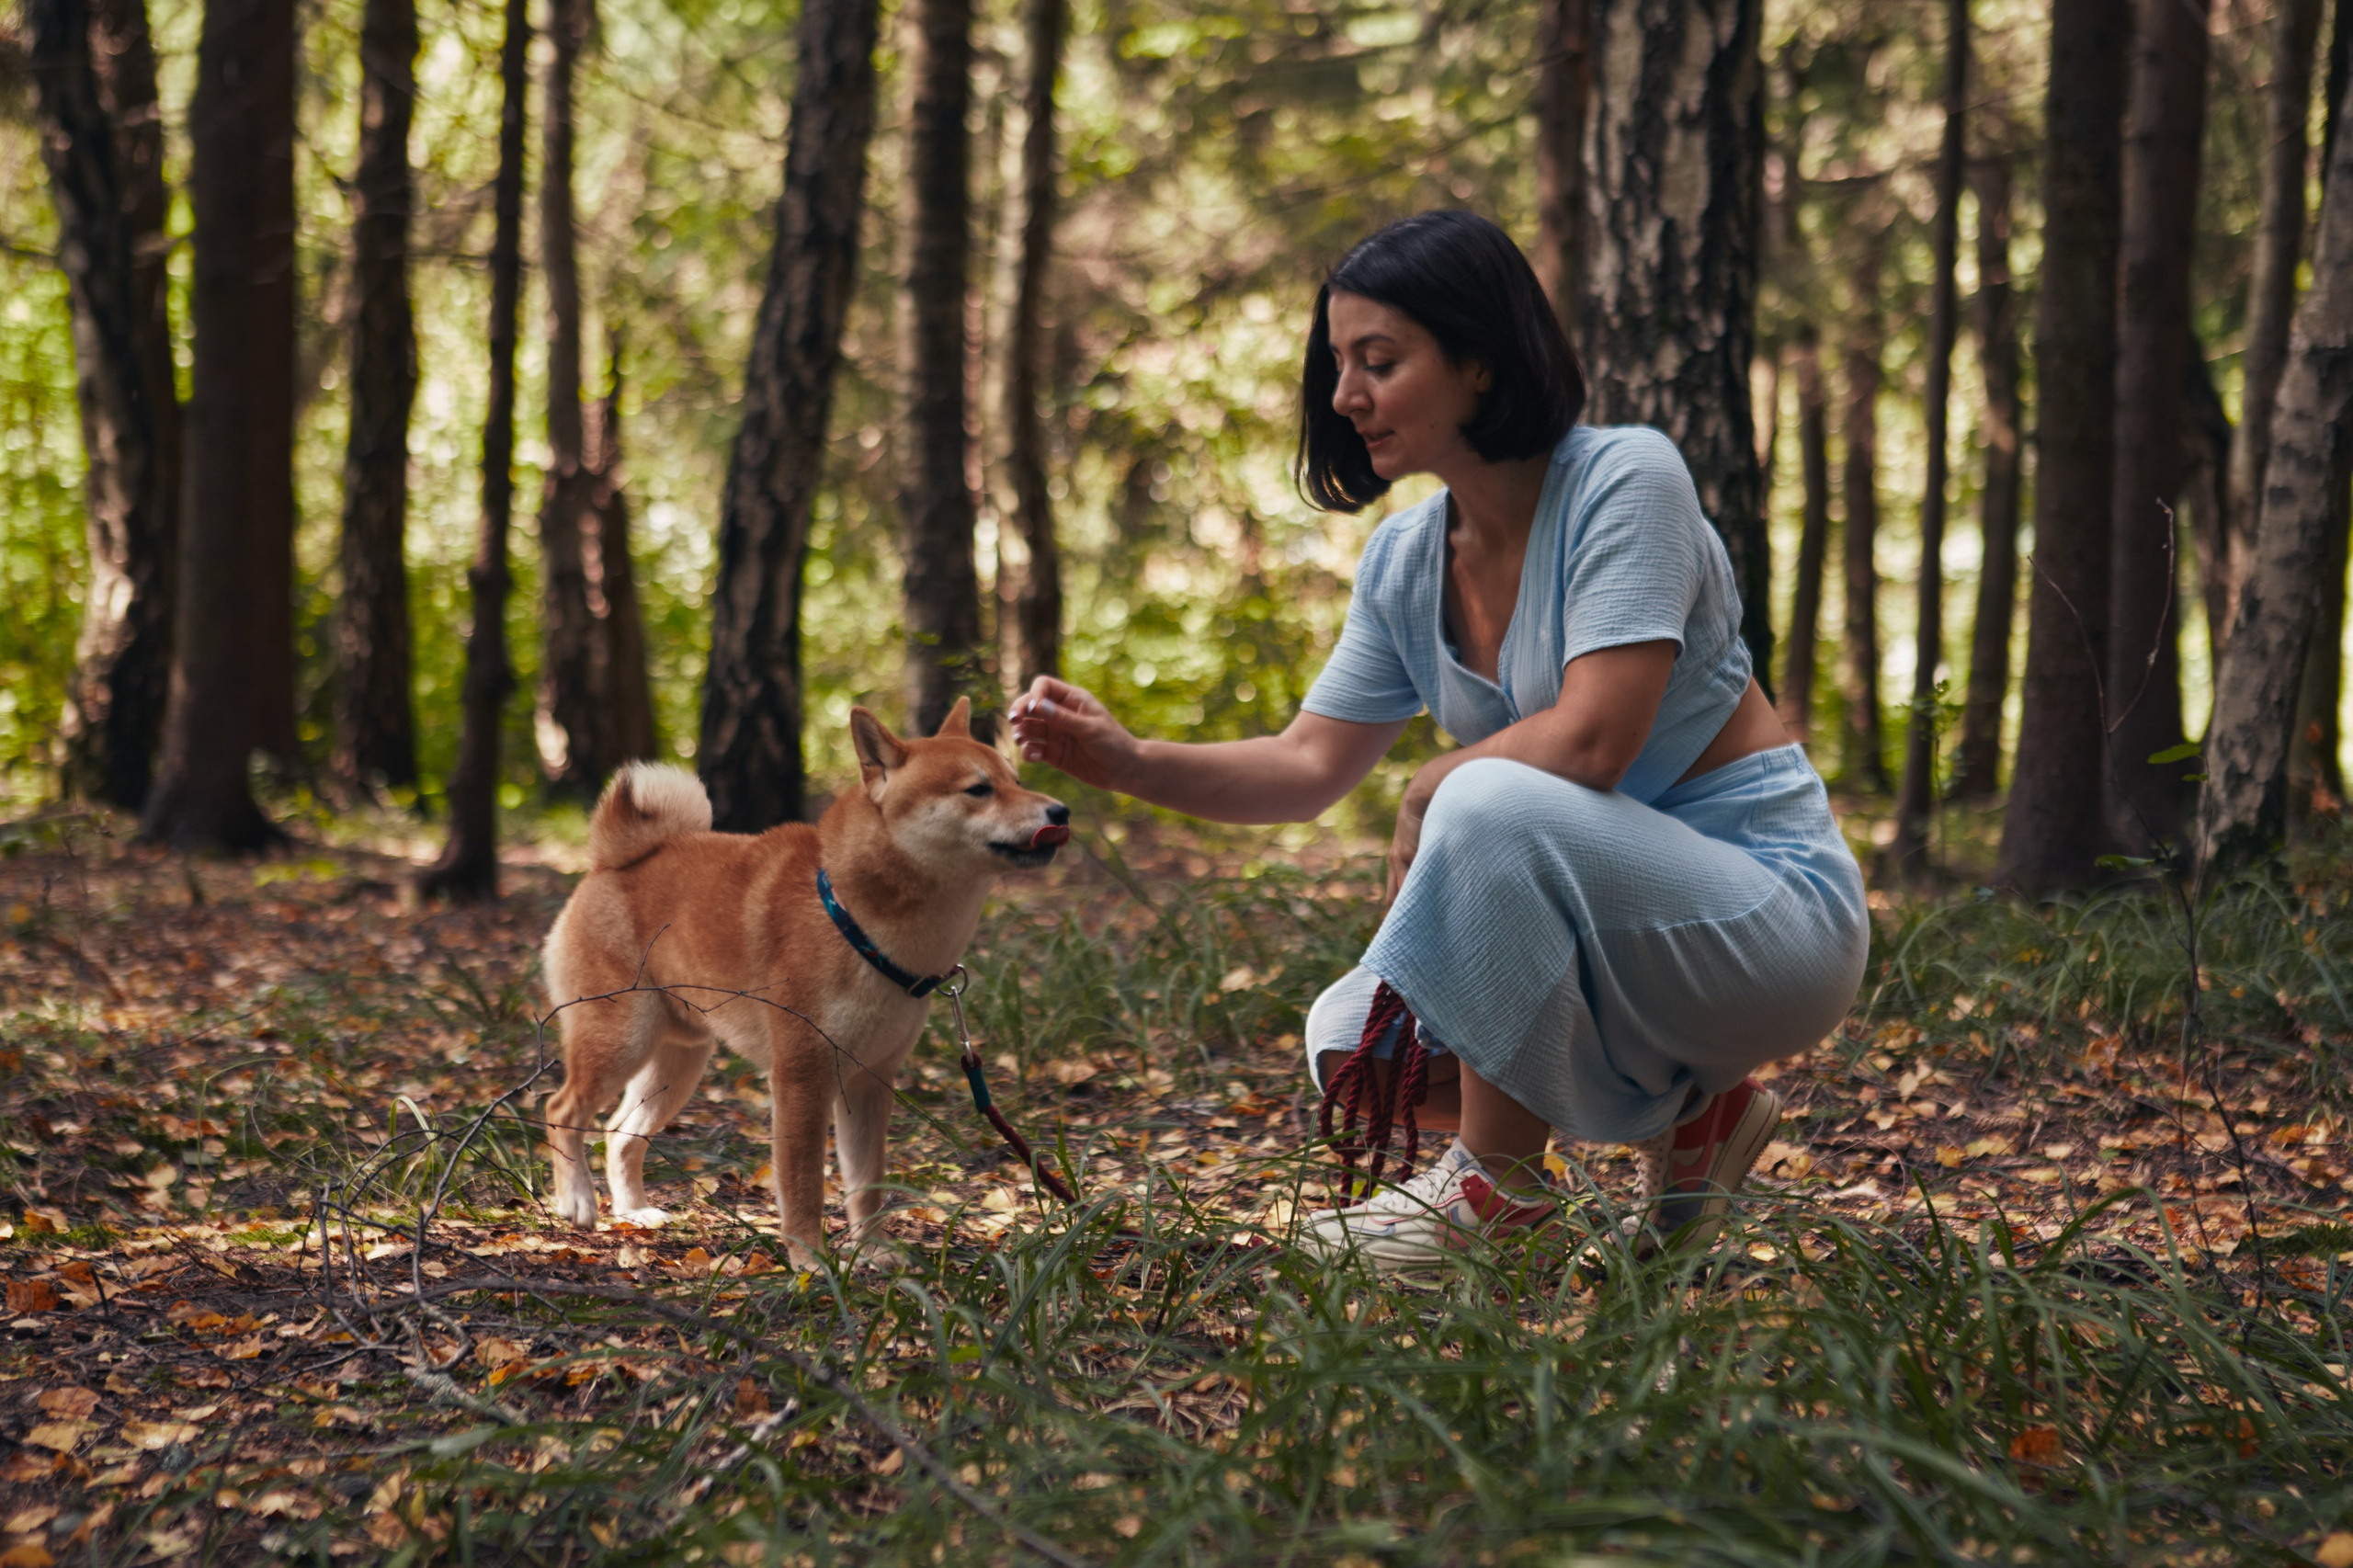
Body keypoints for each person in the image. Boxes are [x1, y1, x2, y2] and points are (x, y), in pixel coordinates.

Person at [1007, 210, 1869, 1275]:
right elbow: (1307, 762)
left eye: (1379, 360)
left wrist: (1430, 786)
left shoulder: (1624, 479)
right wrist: (1129, 761)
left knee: (1479, 798)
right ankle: (1694, 1119)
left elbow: (1596, 738)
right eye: (1338, 364)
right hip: (1624, 949)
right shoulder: (1408, 559)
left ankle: (1491, 1194)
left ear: (1478, 362)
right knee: (1352, 1041)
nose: (1344, 395)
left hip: (1765, 921)